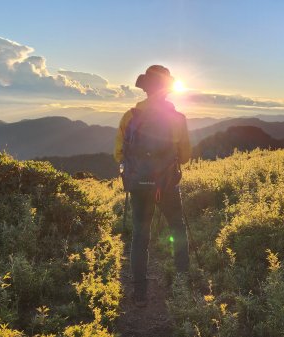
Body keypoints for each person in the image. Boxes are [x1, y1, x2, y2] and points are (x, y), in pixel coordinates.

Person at [114, 65, 191, 307]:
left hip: (138, 184)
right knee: (177, 229)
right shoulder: (177, 119)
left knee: (140, 235)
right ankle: (182, 283)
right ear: (167, 90)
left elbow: (119, 154)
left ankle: (139, 292)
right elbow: (186, 155)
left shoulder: (130, 116)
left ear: (146, 89)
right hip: (167, 184)